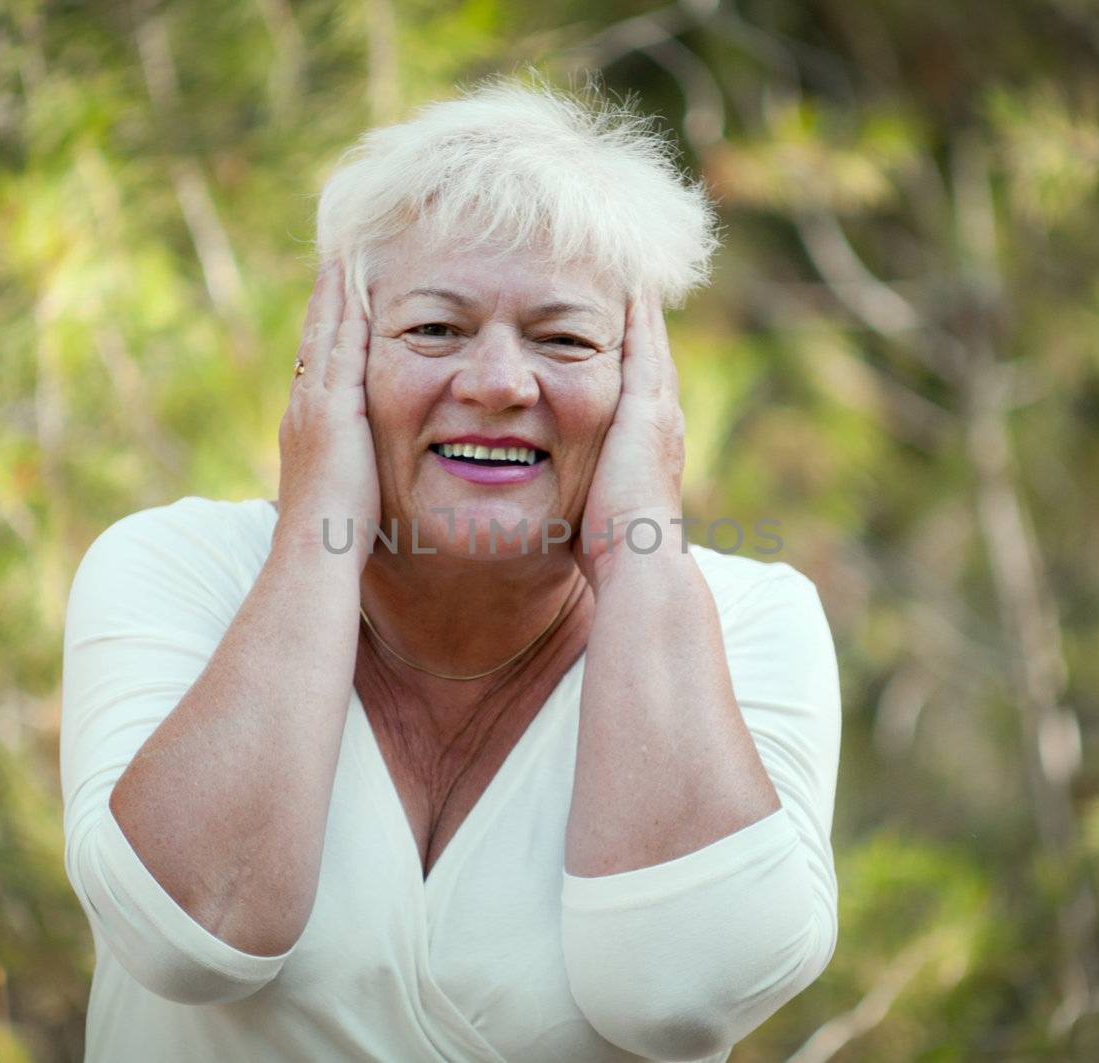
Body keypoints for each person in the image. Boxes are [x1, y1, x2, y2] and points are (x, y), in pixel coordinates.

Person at [60, 79, 841, 1062]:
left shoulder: (753, 619)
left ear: (644, 383)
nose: (500, 384)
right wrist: (318, 525)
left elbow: (678, 990)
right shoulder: (176, 569)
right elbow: (190, 937)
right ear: (333, 355)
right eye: (436, 329)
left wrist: (640, 534)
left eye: (564, 339)